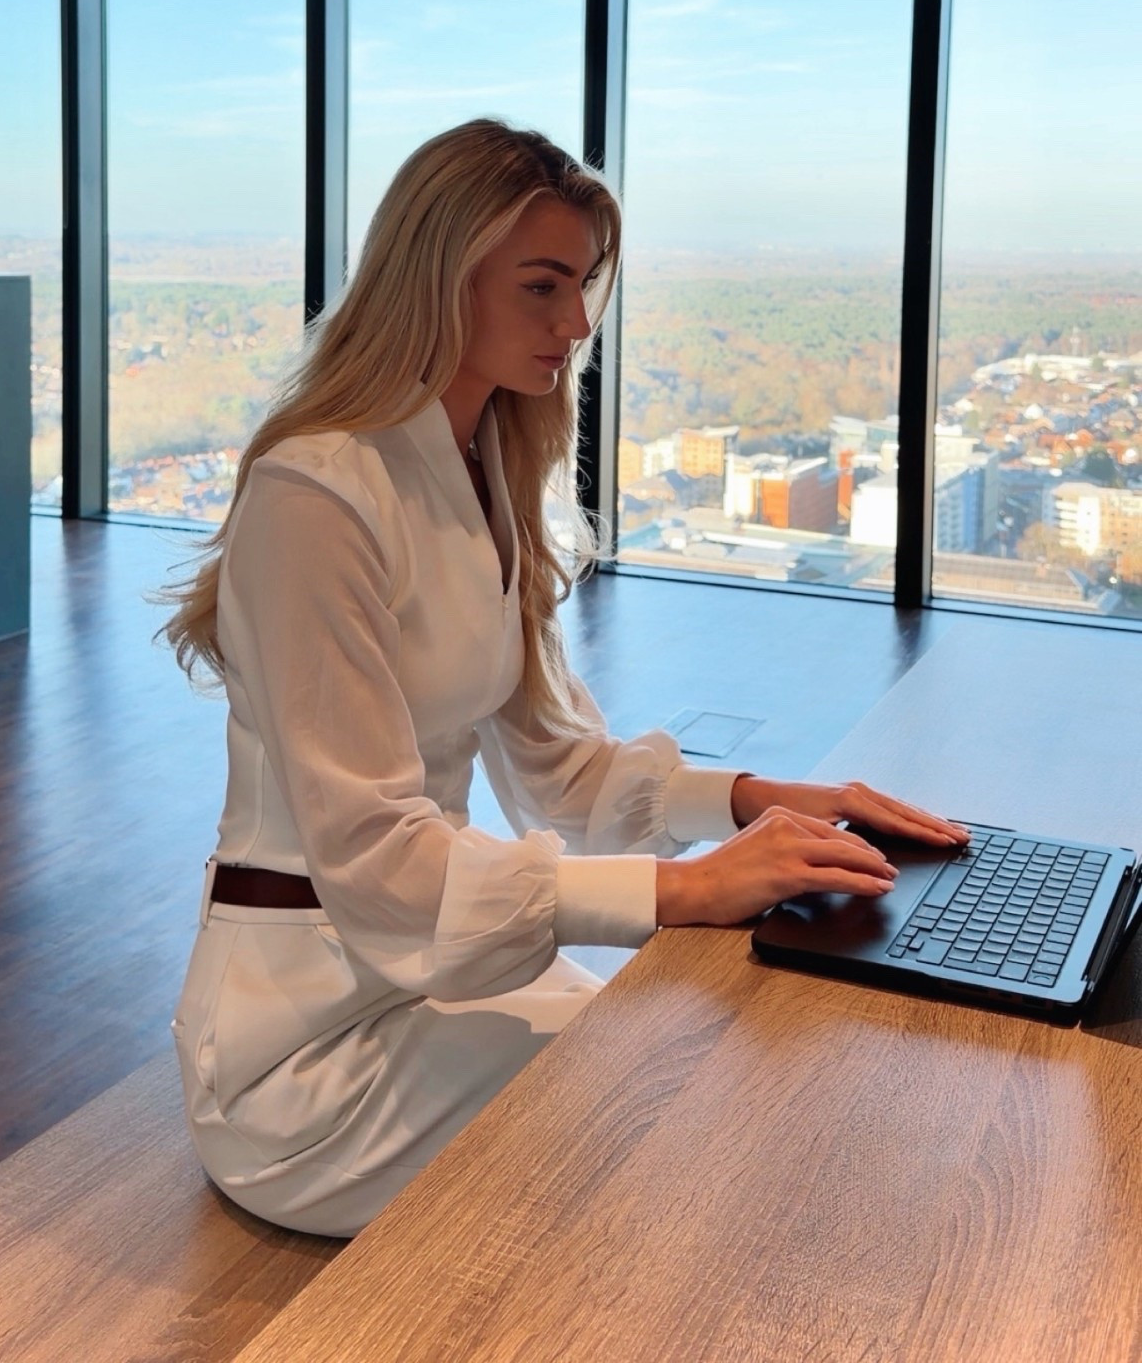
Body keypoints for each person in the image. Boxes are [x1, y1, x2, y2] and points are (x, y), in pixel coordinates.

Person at [165, 118, 966, 1238]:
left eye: (584, 284)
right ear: (435, 277)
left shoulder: (489, 458)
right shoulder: (318, 494)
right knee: (664, 1141)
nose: (576, 321)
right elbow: (374, 857)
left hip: (440, 967)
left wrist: (760, 802)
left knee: (701, 1074)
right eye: (542, 284)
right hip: (305, 1040)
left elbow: (557, 767)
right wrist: (685, 890)